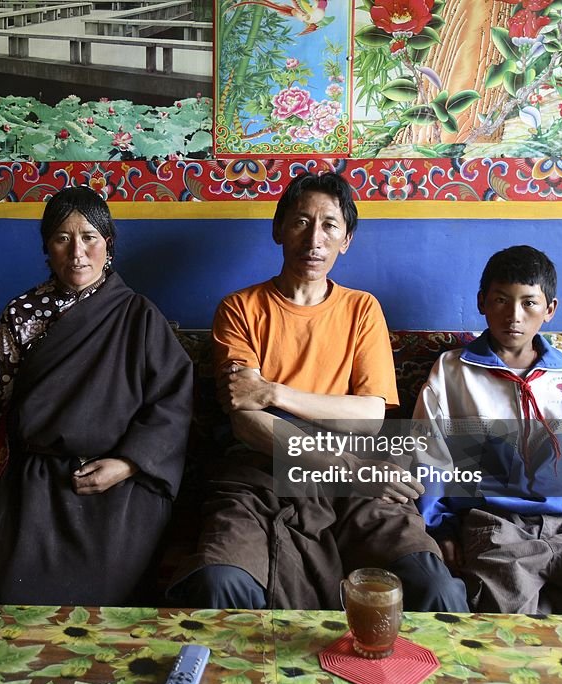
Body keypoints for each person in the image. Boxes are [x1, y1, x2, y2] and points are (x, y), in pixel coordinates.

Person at [170, 172, 467, 611]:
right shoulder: (240, 308)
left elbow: (368, 416)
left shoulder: (361, 309)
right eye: (301, 221)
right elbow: (247, 422)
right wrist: (350, 464)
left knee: (430, 585)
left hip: (354, 487)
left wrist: (273, 393)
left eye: (330, 225)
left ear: (346, 239)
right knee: (222, 582)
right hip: (260, 476)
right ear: (278, 229)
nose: (315, 238)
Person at [0, 186, 192, 606]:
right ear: (46, 248)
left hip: (122, 482)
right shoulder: (21, 314)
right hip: (36, 478)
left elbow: (172, 402)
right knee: (9, 590)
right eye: (62, 238)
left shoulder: (140, 315)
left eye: (89, 237)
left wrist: (129, 462)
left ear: (108, 245)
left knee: (111, 597)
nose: (77, 252)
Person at [413, 245, 562, 615]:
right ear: (482, 302)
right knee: (498, 636)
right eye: (501, 300)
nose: (514, 316)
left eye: (529, 303)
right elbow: (429, 458)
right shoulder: (453, 373)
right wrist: (439, 529)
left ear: (550, 310)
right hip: (496, 527)